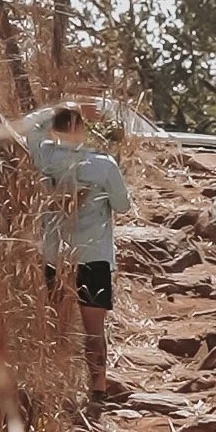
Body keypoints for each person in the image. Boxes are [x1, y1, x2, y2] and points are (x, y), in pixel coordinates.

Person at [26, 101, 131, 405]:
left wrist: (57, 108)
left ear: (56, 129)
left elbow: (27, 127)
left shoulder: (44, 156)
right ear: (81, 129)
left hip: (56, 255)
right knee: (94, 328)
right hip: (93, 255)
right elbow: (123, 206)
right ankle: (97, 388)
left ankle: (58, 391)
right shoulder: (103, 164)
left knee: (58, 325)